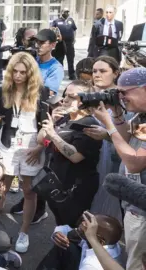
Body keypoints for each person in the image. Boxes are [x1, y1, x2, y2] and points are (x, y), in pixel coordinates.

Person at [0, 52, 49, 253]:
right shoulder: (2, 91)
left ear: (30, 74)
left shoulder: (41, 92)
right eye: (15, 71)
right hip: (8, 143)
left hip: (32, 145)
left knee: (29, 190)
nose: (18, 76)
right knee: (2, 185)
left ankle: (23, 232)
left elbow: (48, 126)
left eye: (23, 72)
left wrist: (40, 147)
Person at [92, 67, 146, 270]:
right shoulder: (141, 116)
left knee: (136, 264)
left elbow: (134, 161)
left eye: (125, 92)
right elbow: (124, 140)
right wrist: (116, 114)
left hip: (143, 209)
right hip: (134, 202)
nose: (121, 97)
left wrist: (109, 125)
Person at [38, 80, 102, 227]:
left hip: (76, 190)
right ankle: (61, 249)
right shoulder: (65, 118)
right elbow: (40, 139)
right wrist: (52, 122)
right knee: (61, 226)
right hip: (57, 185)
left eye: (72, 97)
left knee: (73, 229)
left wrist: (53, 134)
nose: (65, 100)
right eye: (65, 95)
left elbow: (75, 156)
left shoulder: (89, 124)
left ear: (85, 100)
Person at [86, 56, 124, 223]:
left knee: (108, 202)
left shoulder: (122, 99)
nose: (97, 74)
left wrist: (107, 135)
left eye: (103, 71)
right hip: (89, 156)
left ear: (115, 73)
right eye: (94, 71)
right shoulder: (88, 93)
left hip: (113, 158)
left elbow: (128, 136)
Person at [36, 211, 122, 270]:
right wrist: (57, 233)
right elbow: (66, 229)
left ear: (100, 241)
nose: (84, 223)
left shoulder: (91, 265)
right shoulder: (108, 242)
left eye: (91, 226)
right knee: (66, 242)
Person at [33, 28, 64, 95]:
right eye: (36, 42)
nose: (37, 46)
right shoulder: (32, 61)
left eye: (42, 43)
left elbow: (48, 93)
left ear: (53, 45)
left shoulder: (56, 68)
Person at [51, 8, 77, 80]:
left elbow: (74, 30)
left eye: (67, 12)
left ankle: (71, 75)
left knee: (70, 59)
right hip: (60, 44)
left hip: (69, 43)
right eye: (65, 12)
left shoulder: (71, 20)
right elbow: (53, 30)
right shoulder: (56, 21)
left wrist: (74, 39)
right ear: (61, 12)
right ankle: (60, 74)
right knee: (59, 59)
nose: (66, 13)